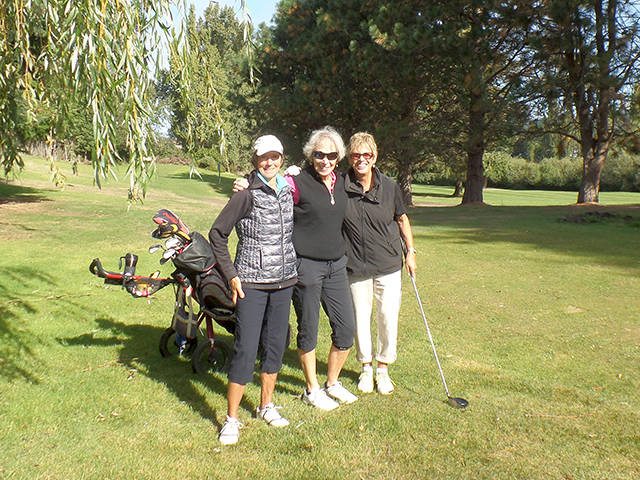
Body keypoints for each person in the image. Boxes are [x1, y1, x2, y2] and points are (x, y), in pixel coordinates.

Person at [233, 126, 358, 411]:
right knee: (309, 329)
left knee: (345, 329)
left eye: (330, 155)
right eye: (318, 155)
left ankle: (333, 383)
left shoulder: (340, 182)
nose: (324, 160)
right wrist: (244, 183)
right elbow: (268, 181)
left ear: (338, 158)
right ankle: (312, 389)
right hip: (305, 266)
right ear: (310, 156)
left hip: (337, 265)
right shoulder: (296, 181)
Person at [209, 134, 297, 446]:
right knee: (246, 348)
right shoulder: (245, 193)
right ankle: (231, 419)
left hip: (284, 281)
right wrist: (231, 275)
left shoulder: (288, 189)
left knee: (275, 346)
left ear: (282, 159)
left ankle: (265, 406)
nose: (269, 162)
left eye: (275, 156)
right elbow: (217, 234)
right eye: (264, 157)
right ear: (255, 160)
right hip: (251, 283)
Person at [342, 132, 417, 395]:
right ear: (350, 158)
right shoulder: (340, 185)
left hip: (387, 264)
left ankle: (383, 367)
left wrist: (411, 251)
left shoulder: (390, 186)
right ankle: (365, 367)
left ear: (375, 157)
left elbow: (402, 219)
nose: (361, 159)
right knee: (360, 319)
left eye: (367, 155)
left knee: (387, 317)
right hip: (356, 265)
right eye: (356, 155)